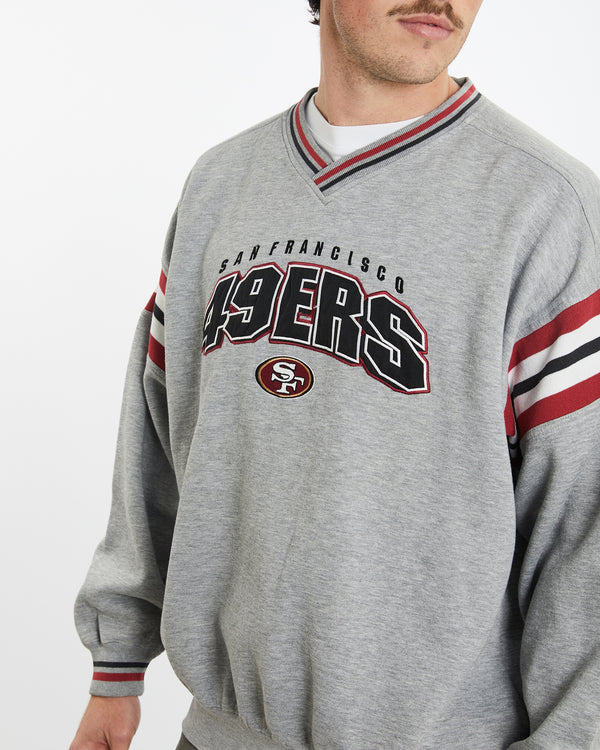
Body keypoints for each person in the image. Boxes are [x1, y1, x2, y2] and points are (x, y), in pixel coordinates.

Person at [69, 0, 600, 748]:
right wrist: (116, 665)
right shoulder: (221, 185)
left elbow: (583, 528)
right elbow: (158, 437)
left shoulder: (547, 209)